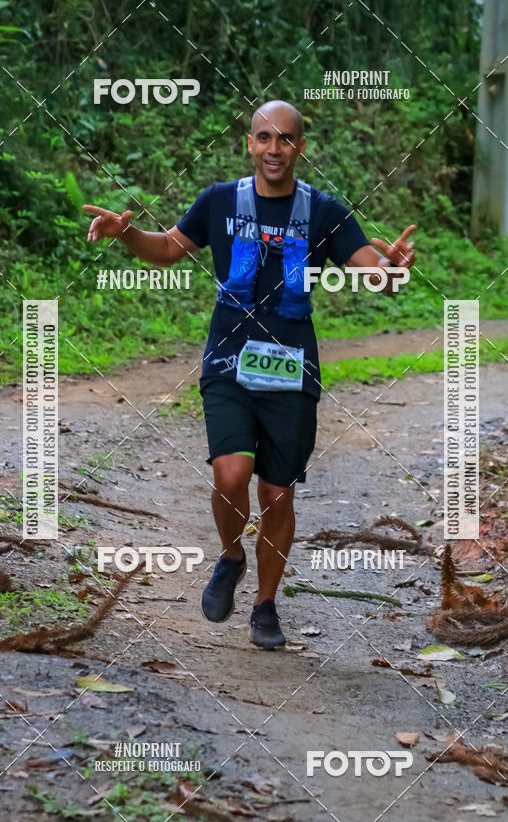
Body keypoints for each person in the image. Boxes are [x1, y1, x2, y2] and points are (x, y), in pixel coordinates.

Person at [83, 99, 416, 650]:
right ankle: (232, 555)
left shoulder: (324, 212)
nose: (274, 148)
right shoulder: (220, 200)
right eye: (264, 137)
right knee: (231, 477)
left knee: (278, 494)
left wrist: (392, 270)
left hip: (292, 367)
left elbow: (371, 270)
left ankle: (265, 605)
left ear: (300, 147)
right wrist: (125, 235)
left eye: (285, 139)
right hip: (228, 362)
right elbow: (167, 247)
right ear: (250, 144)